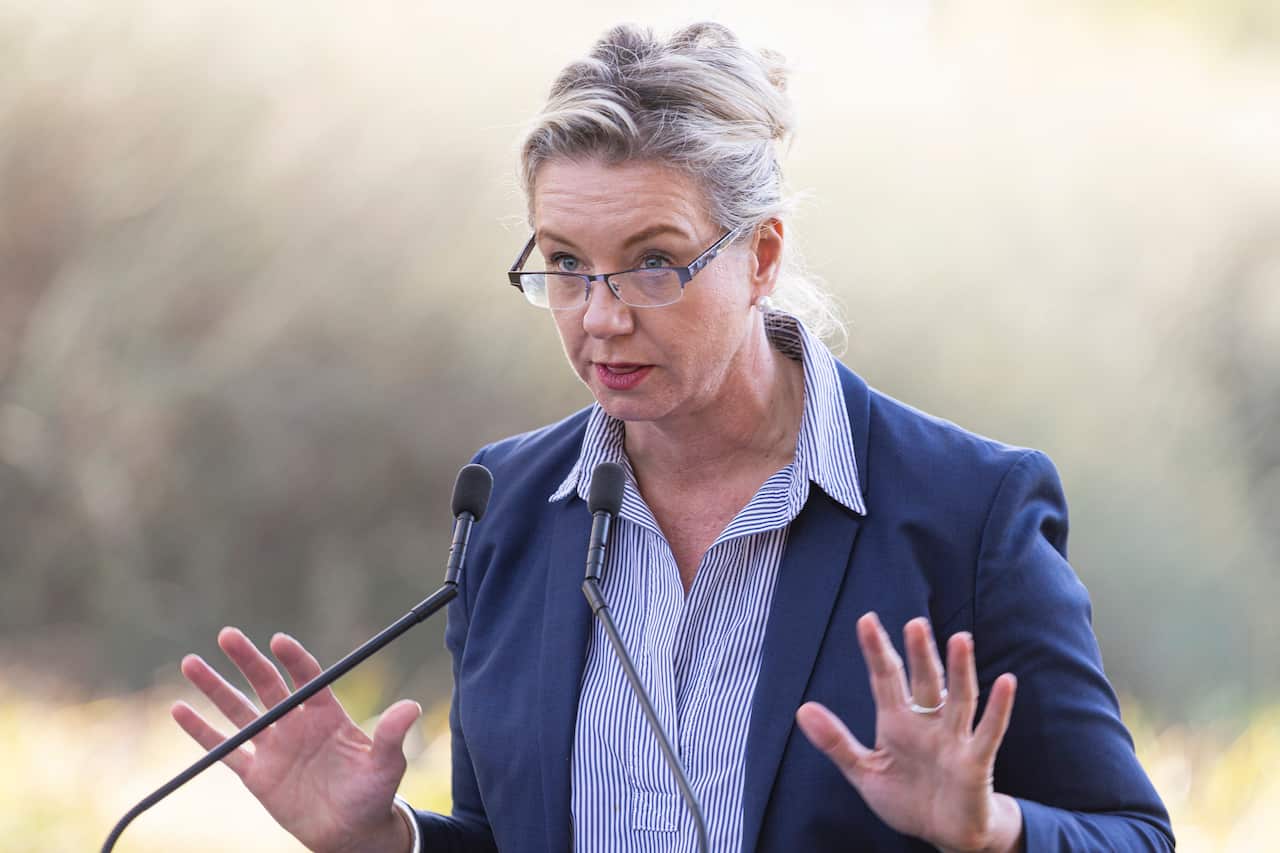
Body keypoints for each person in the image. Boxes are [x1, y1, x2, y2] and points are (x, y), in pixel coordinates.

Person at [172, 21, 1175, 853]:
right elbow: (507, 833)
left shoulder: (963, 511)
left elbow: (1132, 836)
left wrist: (990, 828)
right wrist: (388, 840)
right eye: (563, 262)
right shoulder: (510, 502)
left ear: (760, 254)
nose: (599, 316)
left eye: (652, 263)